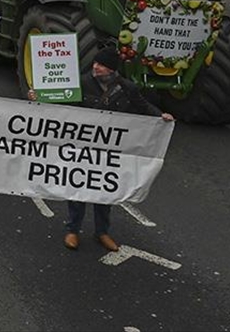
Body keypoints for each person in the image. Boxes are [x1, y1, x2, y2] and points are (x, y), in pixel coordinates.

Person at [57, 48, 174, 252]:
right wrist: (37, 97)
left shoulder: (127, 87)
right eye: (95, 62)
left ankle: (102, 232)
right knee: (77, 188)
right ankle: (73, 230)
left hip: (110, 150)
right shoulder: (83, 82)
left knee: (105, 191)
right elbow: (62, 104)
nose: (95, 67)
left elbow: (143, 106)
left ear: (112, 69)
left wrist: (160, 116)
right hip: (83, 148)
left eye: (101, 65)